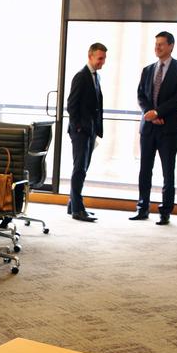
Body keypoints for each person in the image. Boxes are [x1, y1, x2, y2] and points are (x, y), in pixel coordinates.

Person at [130, 31, 177, 225]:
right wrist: (150, 113)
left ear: (171, 46)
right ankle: (142, 208)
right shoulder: (148, 70)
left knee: (167, 171)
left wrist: (158, 113)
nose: (157, 48)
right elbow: (141, 95)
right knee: (145, 169)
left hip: (169, 128)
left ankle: (165, 211)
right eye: (156, 44)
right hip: (148, 127)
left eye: (161, 44)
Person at [66, 42, 107, 222]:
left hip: (90, 131)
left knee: (83, 168)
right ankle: (78, 210)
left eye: (104, 58)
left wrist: (95, 130)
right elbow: (71, 105)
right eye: (100, 58)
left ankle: (72, 204)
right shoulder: (81, 76)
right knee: (79, 169)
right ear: (90, 56)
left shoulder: (95, 77)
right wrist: (79, 127)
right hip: (81, 131)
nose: (103, 62)